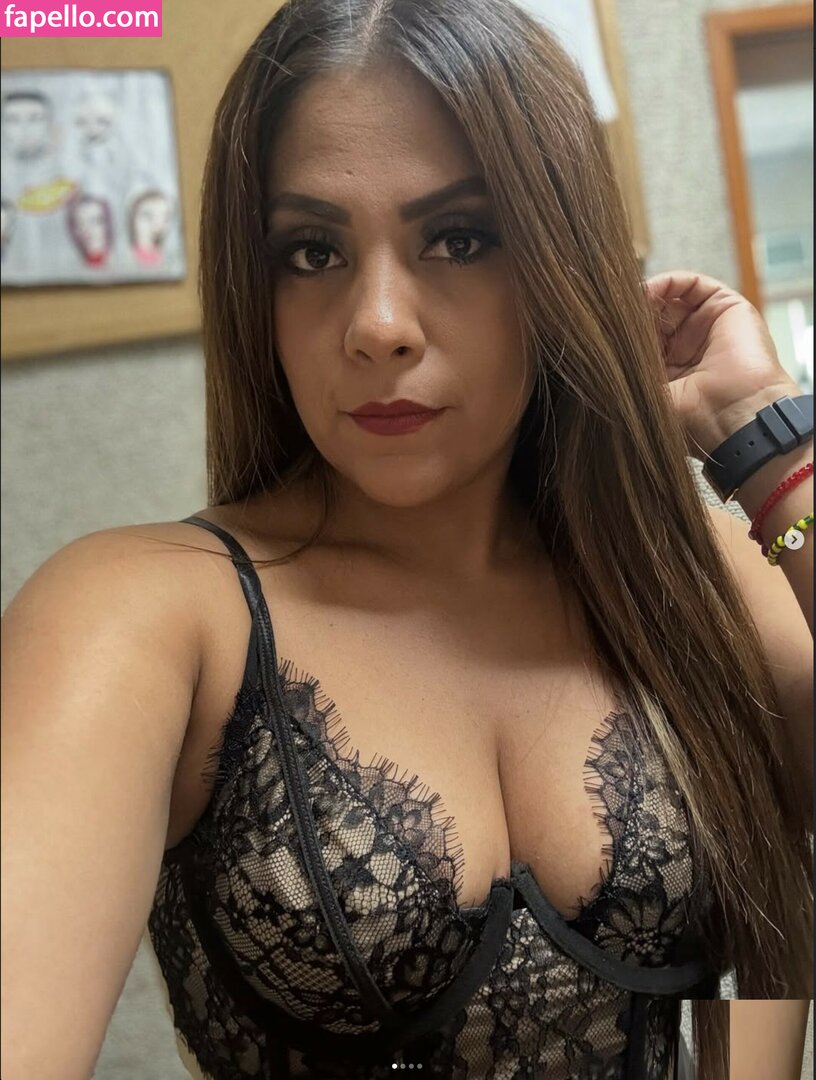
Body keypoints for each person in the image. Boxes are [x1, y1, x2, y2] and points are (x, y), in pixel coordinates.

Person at [2, 1, 812, 1078]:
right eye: (312, 251)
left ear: (559, 263)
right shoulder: (140, 615)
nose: (378, 323)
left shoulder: (691, 579)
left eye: (460, 238)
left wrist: (768, 440)